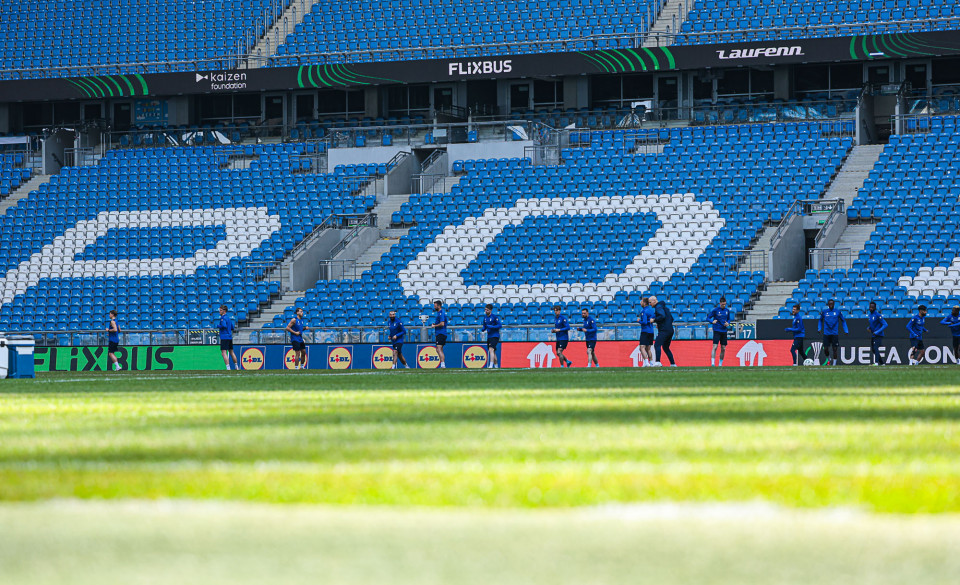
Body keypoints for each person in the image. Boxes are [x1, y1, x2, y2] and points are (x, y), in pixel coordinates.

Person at [817, 299, 848, 366]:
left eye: (832, 304)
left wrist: (846, 330)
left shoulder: (837, 312)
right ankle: (829, 358)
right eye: (830, 304)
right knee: (825, 349)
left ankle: (834, 364)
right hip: (826, 333)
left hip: (834, 333)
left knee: (835, 349)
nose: (831, 305)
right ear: (828, 304)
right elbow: (820, 320)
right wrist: (819, 328)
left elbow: (843, 320)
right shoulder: (824, 312)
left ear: (834, 304)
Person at [650, 295, 676, 367]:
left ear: (654, 301)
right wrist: (660, 323)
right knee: (665, 347)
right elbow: (671, 318)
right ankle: (673, 364)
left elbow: (662, 316)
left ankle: (658, 362)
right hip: (670, 330)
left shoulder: (658, 307)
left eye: (650, 302)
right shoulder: (665, 308)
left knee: (657, 345)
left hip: (664, 330)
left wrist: (654, 320)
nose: (649, 304)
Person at [707, 296, 732, 367]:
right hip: (717, 330)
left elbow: (729, 319)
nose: (724, 305)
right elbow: (708, 318)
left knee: (723, 348)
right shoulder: (716, 310)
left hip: (724, 331)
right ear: (720, 303)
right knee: (715, 346)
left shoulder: (727, 311)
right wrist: (712, 321)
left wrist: (728, 323)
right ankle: (712, 363)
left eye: (725, 304)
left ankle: (720, 364)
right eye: (722, 304)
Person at [867, 301, 888, 366]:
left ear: (875, 308)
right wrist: (868, 328)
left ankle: (876, 363)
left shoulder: (878, 315)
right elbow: (872, 325)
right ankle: (882, 363)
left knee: (876, 348)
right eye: (870, 307)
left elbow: (885, 324)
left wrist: (877, 331)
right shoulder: (869, 315)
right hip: (873, 335)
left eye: (872, 307)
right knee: (873, 349)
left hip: (879, 335)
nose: (871, 308)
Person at [428, 300, 448, 368]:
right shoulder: (439, 313)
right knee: (440, 349)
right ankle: (442, 364)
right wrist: (435, 324)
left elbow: (442, 324)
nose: (434, 307)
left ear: (439, 306)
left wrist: (434, 326)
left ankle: (443, 364)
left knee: (438, 349)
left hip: (441, 333)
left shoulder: (441, 313)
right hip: (440, 333)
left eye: (435, 306)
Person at [218, 305, 239, 370]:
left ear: (224, 311)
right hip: (229, 337)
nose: (219, 311)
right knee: (231, 352)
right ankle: (236, 366)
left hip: (224, 337)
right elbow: (232, 327)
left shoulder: (223, 318)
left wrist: (219, 326)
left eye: (220, 310)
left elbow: (224, 326)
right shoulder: (228, 318)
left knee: (223, 352)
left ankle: (228, 368)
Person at [481, 304, 502, 369]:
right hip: (489, 336)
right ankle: (496, 366)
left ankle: (490, 365)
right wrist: (483, 329)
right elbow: (484, 325)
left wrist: (492, 327)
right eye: (485, 310)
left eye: (487, 310)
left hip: (495, 336)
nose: (486, 311)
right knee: (493, 351)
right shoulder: (485, 317)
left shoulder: (494, 317)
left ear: (490, 310)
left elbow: (500, 325)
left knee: (491, 349)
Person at [638, 297, 656, 367]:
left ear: (644, 303)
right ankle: (651, 362)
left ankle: (646, 362)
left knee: (642, 347)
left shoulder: (644, 311)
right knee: (648, 348)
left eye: (641, 302)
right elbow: (653, 318)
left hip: (645, 331)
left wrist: (639, 321)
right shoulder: (651, 310)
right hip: (651, 331)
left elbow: (644, 322)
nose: (640, 303)